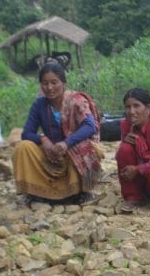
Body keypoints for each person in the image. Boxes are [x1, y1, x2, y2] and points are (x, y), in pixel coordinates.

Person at [13, 61, 102, 204]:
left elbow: (90, 126)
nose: (49, 88)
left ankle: (81, 190)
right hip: (52, 153)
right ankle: (36, 191)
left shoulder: (75, 100)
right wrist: (43, 139)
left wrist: (67, 143)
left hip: (71, 150)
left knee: (85, 147)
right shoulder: (39, 105)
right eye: (45, 83)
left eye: (54, 83)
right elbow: (27, 133)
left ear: (64, 83)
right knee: (23, 147)